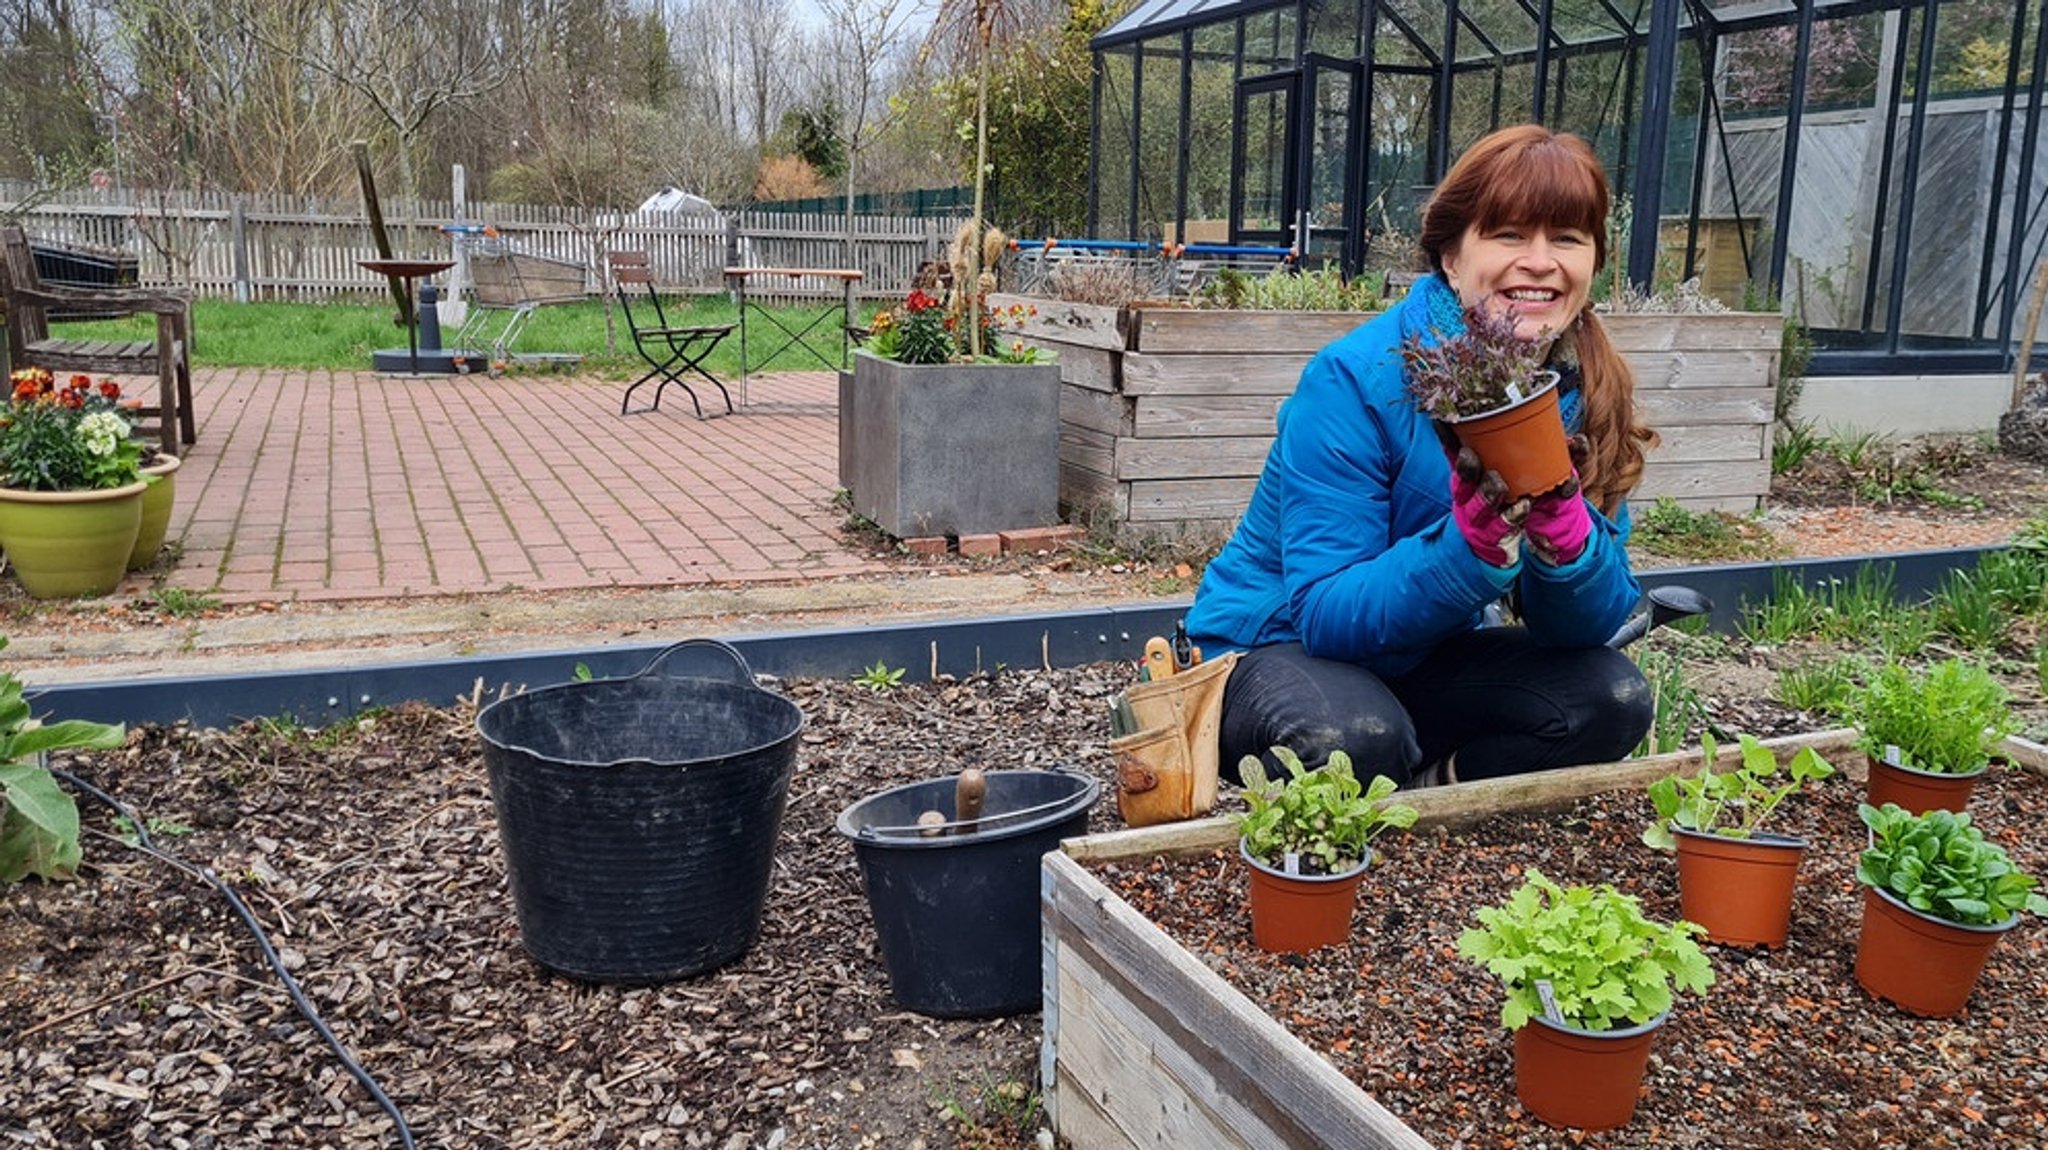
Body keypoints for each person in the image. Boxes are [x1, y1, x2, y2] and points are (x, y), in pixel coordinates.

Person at [1183, 124, 1658, 788]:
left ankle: (1434, 791)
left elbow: (1584, 628)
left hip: (1421, 653)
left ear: (1593, 264)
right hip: (1270, 648)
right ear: (1451, 258)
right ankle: (1381, 782)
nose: (1541, 261)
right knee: (1350, 738)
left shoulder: (1578, 393)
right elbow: (1325, 613)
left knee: (1611, 698)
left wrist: (1568, 545)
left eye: (1568, 239)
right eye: (1510, 235)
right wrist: (1474, 549)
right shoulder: (1354, 378)